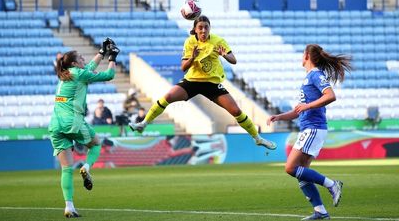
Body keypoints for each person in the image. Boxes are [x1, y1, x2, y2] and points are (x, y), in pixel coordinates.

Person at [129, 15, 276, 150]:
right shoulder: (190, 42)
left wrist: (224, 55)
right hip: (192, 81)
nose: (203, 30)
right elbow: (183, 67)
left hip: (211, 84)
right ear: (195, 29)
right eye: (200, 27)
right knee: (167, 97)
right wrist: (192, 58)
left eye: (206, 27)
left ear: (209, 28)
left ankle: (257, 138)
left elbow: (234, 60)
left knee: (236, 111)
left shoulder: (218, 41)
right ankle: (144, 124)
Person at [267, 44, 352, 220]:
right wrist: (279, 117)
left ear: (306, 55)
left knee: (290, 167)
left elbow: (330, 96)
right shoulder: (308, 78)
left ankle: (332, 184)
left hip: (314, 127)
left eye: (302, 54)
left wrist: (308, 105)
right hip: (308, 127)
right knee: (301, 172)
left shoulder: (316, 75)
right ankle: (320, 211)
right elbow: (299, 110)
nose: (301, 57)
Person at [48, 38, 119, 218]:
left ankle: (69, 206)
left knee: (66, 168)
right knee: (96, 144)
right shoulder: (79, 74)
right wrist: (112, 58)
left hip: (55, 124)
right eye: (81, 57)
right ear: (74, 63)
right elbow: (109, 75)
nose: (84, 59)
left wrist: (101, 53)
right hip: (72, 121)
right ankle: (87, 167)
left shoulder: (66, 75)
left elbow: (87, 69)